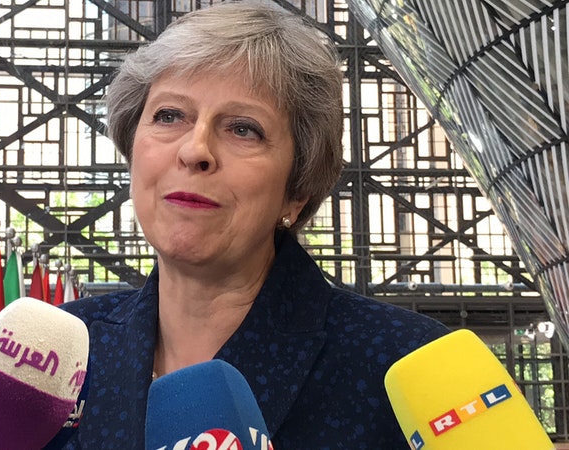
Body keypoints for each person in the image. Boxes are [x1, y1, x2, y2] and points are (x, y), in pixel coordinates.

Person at [59, 1, 450, 448]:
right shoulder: (63, 351)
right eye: (169, 116)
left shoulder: (409, 366)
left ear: (296, 190)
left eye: (243, 129)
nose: (195, 150)